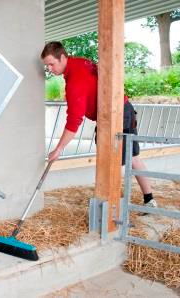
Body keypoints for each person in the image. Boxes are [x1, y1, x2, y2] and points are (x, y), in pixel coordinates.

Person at [41, 41, 157, 208]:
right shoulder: (79, 62)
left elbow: (74, 121)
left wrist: (59, 148)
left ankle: (112, 208)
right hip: (119, 111)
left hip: (117, 114)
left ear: (63, 57)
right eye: (47, 66)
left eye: (51, 64)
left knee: (113, 161)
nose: (50, 70)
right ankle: (149, 200)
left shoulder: (75, 81)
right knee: (132, 158)